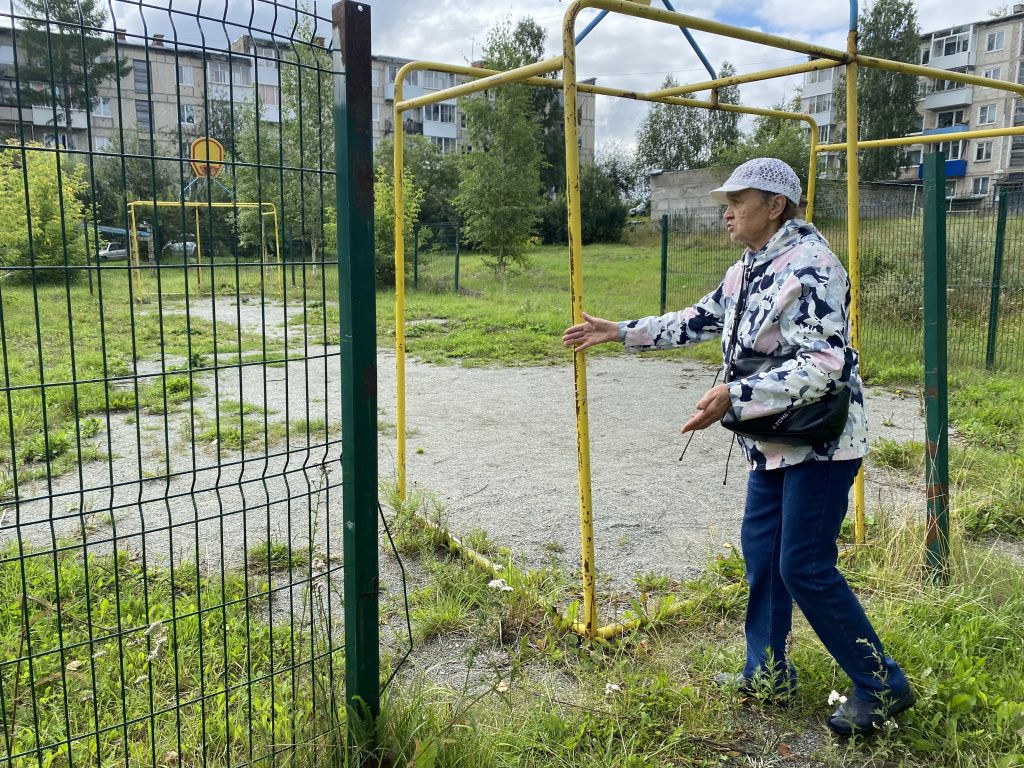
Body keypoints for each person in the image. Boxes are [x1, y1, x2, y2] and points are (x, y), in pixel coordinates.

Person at [562, 158, 915, 735]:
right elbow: (697, 319)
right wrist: (620, 331)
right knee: (763, 559)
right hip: (774, 439)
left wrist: (735, 393)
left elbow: (825, 364)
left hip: (821, 443)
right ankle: (767, 674)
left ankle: (882, 683)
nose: (725, 211)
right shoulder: (749, 268)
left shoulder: (813, 266)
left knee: (803, 566)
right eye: (725, 201)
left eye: (738, 200)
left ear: (775, 206)